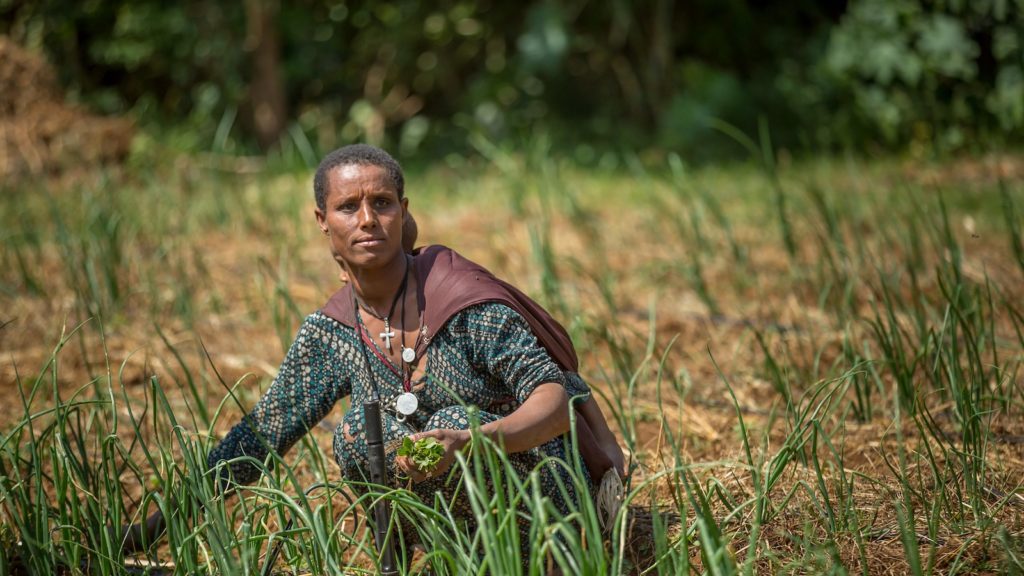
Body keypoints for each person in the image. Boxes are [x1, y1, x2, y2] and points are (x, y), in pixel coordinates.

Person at [122, 144, 625, 562]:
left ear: (403, 211)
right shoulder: (331, 333)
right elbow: (255, 442)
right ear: (323, 221)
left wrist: (470, 439)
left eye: (382, 203)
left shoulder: (464, 301)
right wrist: (142, 535)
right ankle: (437, 558)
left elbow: (554, 404)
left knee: (451, 416)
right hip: (454, 527)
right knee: (358, 434)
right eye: (348, 208)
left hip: (545, 499)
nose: (367, 220)